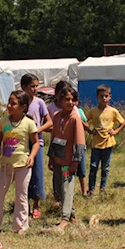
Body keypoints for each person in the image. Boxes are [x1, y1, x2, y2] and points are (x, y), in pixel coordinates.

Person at [0, 90, 39, 240]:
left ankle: (20, 226)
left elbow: (36, 143)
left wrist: (32, 156)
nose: (9, 105)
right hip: (6, 166)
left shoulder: (29, 123)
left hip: (23, 166)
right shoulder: (3, 122)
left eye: (13, 103)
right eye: (9, 102)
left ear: (23, 107)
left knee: (21, 196)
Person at [48, 87, 86, 230]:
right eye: (66, 99)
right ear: (60, 100)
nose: (70, 102)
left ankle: (64, 218)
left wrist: (75, 162)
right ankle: (72, 215)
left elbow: (79, 142)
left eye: (72, 99)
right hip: (58, 159)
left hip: (68, 162)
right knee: (59, 188)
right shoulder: (57, 116)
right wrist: (51, 158)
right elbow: (54, 137)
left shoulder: (75, 118)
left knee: (67, 187)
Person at [21, 74, 52, 219]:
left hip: (36, 143)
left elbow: (49, 122)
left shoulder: (39, 103)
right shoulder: (19, 103)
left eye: (36, 86)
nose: (35, 89)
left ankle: (36, 205)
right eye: (32, 86)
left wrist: (37, 130)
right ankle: (23, 205)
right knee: (23, 175)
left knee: (37, 174)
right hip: (21, 144)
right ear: (23, 87)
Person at [85, 84, 125, 196]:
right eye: (101, 96)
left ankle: (103, 188)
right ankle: (91, 189)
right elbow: (84, 121)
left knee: (105, 167)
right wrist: (90, 131)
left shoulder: (113, 111)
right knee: (93, 166)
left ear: (110, 97)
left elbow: (123, 122)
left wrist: (115, 131)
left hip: (108, 142)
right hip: (96, 143)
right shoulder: (93, 111)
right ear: (97, 97)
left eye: (106, 96)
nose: (104, 98)